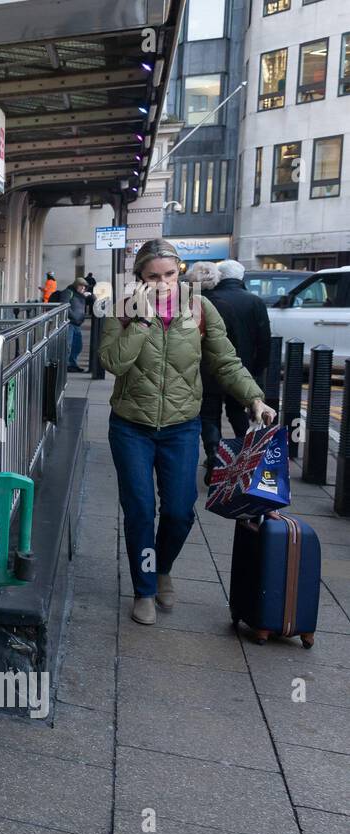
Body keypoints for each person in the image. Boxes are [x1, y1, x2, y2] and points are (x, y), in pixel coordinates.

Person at [100, 239, 276, 626]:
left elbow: (226, 360)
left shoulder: (199, 307)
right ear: (139, 277)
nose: (162, 283)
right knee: (141, 511)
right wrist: (142, 319)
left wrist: (254, 399)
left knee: (179, 512)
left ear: (178, 271)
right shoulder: (123, 308)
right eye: (152, 276)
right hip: (131, 426)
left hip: (181, 427)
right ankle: (144, 589)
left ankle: (162, 568)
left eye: (169, 274)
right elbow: (113, 362)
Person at [201, 259, 272, 481]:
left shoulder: (208, 300)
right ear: (242, 278)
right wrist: (258, 370)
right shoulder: (254, 301)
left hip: (209, 369)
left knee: (210, 414)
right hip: (243, 370)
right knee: (237, 412)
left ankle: (214, 455)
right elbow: (264, 341)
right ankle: (247, 455)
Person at [50, 276, 90, 372]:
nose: (83, 288)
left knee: (77, 345)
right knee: (67, 345)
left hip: (77, 324)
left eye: (85, 287)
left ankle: (72, 364)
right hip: (69, 323)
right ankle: (65, 365)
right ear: (76, 285)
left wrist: (90, 296)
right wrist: (74, 317)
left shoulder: (81, 295)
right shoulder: (68, 292)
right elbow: (64, 305)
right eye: (81, 286)